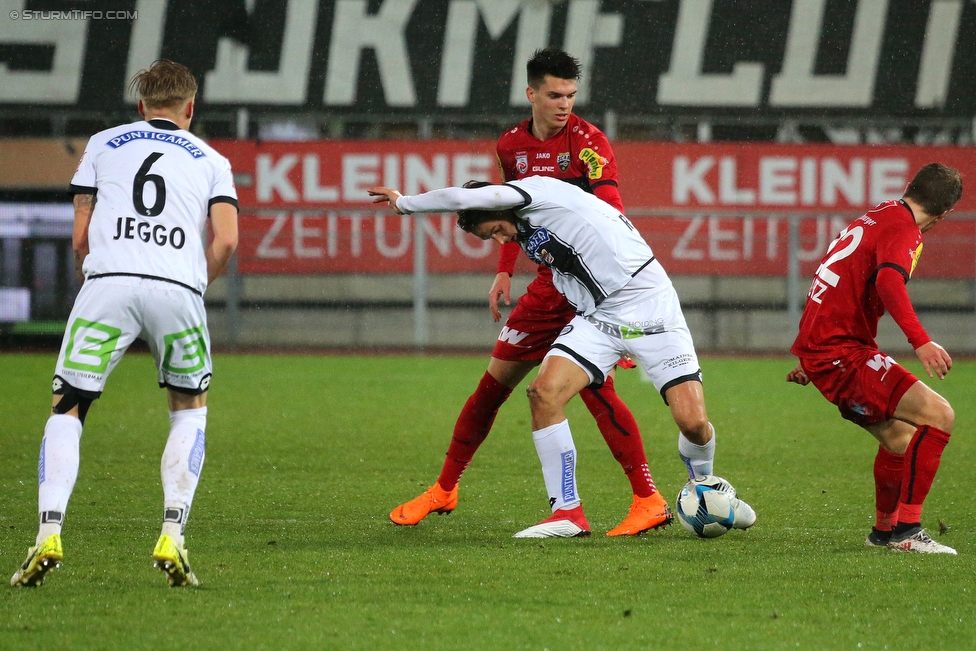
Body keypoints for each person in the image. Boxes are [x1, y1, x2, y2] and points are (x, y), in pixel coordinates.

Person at [369, 176, 756, 537]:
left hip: (649, 312)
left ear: (496, 204)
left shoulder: (530, 193)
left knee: (693, 424)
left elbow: (458, 197)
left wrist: (405, 204)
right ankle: (567, 512)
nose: (502, 240)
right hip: (598, 321)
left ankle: (704, 482)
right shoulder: (526, 228)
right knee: (543, 393)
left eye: (495, 230)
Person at [388, 47, 670, 538]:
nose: (565, 104)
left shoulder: (589, 143)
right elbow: (508, 213)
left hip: (590, 286)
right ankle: (445, 488)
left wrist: (618, 315)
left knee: (597, 393)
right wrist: (505, 271)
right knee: (491, 388)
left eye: (571, 95)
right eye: (555, 94)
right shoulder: (511, 146)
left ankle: (644, 498)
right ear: (532, 94)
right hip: (547, 285)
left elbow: (612, 217)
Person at [10, 60, 239, 587]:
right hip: (177, 290)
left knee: (67, 409)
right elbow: (225, 240)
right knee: (189, 412)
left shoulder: (102, 143)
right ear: (190, 108)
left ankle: (49, 530)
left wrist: (95, 277)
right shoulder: (212, 159)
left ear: (141, 106)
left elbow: (79, 235)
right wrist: (192, 287)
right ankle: (172, 534)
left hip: (107, 284)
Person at [787, 163, 962, 555]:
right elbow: (887, 281)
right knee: (940, 415)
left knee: (900, 440)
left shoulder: (878, 215)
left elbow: (832, 280)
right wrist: (921, 341)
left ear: (909, 188)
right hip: (842, 353)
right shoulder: (905, 229)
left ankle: (884, 532)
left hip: (828, 350)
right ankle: (908, 531)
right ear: (945, 212)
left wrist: (810, 355)